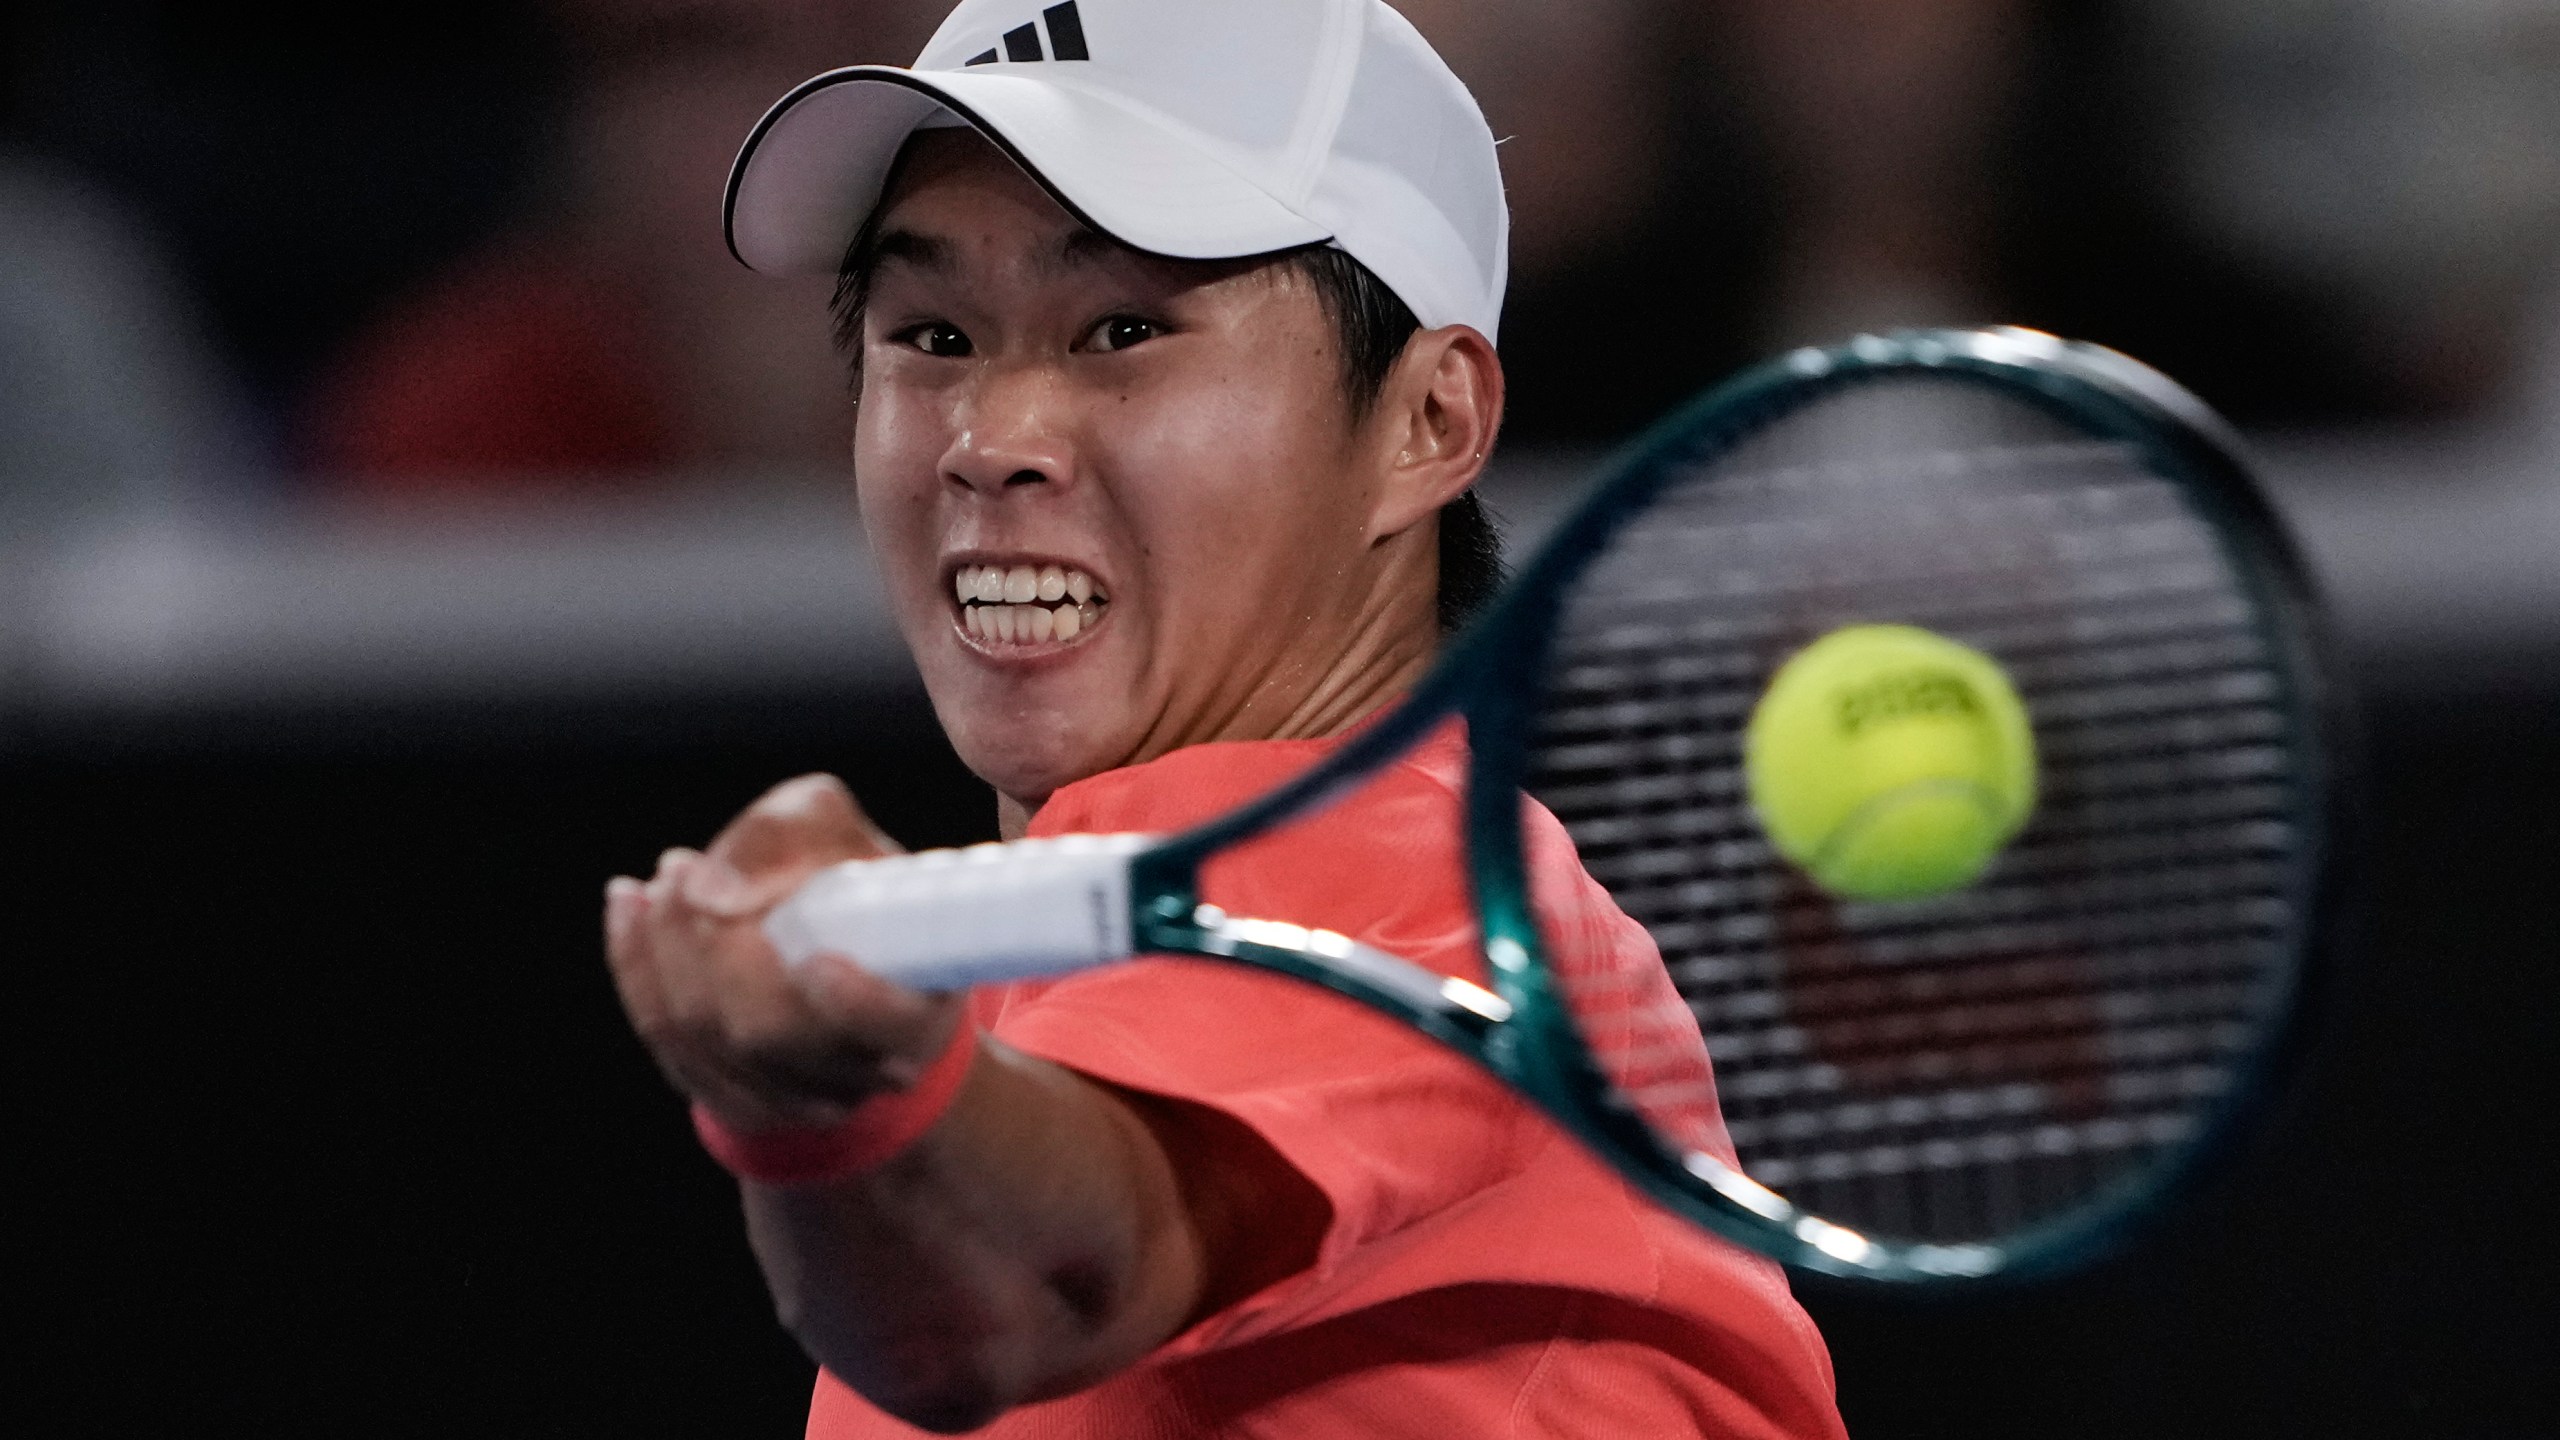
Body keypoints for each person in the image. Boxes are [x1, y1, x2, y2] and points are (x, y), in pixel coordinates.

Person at [601, 1, 1847, 1434]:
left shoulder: (1404, 886)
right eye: (931, 333)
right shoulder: (1077, 998)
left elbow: (1014, 1295)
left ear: (1428, 421)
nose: (990, 439)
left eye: (1124, 328)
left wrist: (852, 1092)